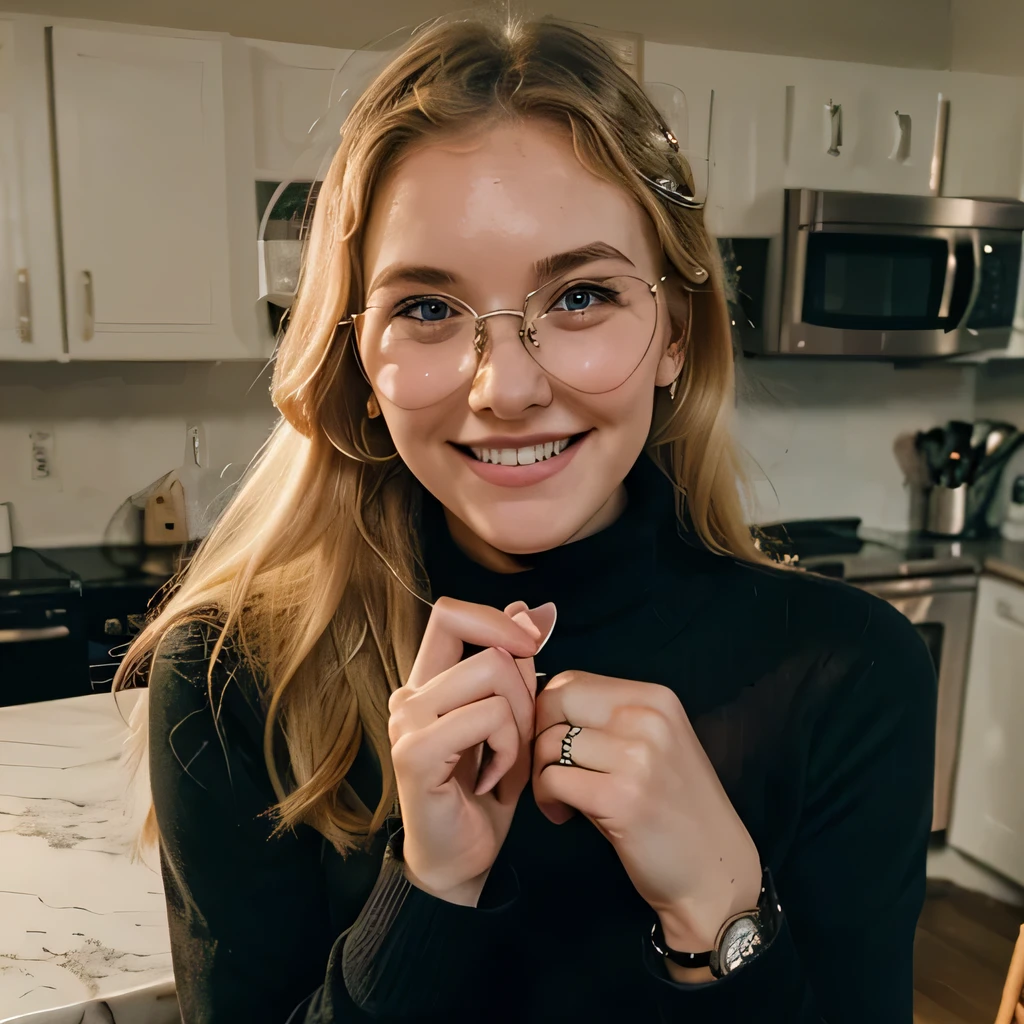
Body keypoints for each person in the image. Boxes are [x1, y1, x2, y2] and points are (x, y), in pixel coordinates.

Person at [113, 13, 937, 1023]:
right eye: (426, 307)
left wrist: (719, 912)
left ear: (674, 332)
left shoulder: (852, 672)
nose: (505, 386)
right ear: (360, 362)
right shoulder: (231, 672)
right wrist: (426, 890)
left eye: (582, 294)